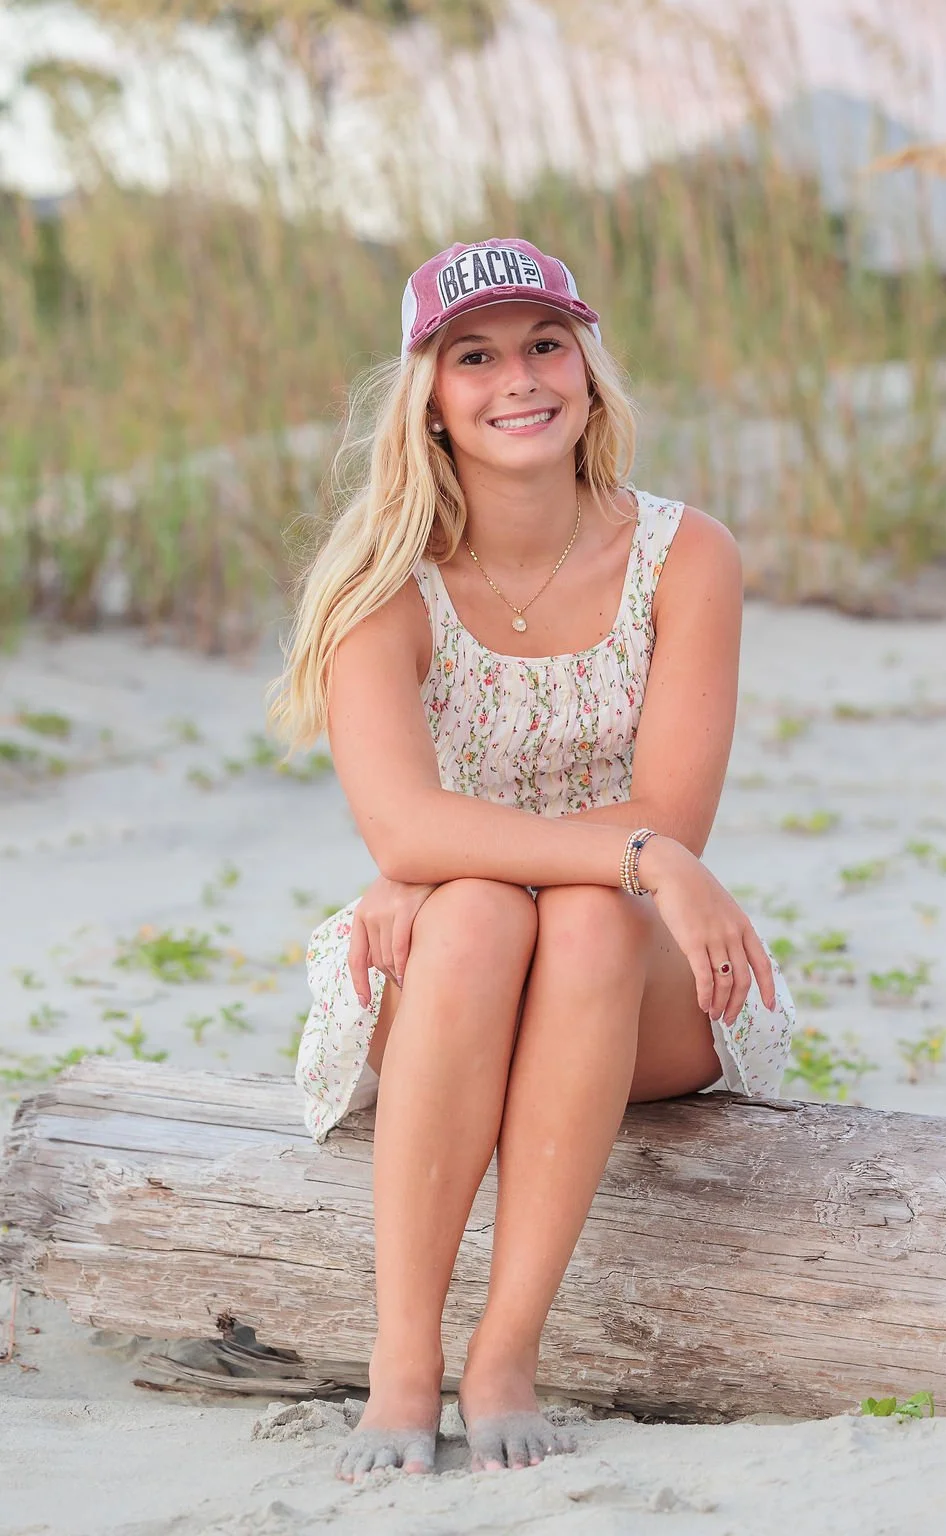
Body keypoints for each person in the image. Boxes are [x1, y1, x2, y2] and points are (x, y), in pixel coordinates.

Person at [268, 237, 796, 1483]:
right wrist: (615, 855)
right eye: (476, 355)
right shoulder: (380, 586)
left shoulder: (685, 555)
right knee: (471, 919)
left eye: (545, 344)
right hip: (449, 968)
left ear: (590, 371)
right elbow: (406, 829)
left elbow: (671, 814)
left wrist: (498, 856)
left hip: (636, 978)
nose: (519, 378)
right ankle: (403, 1362)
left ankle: (503, 1355)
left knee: (583, 918)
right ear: (432, 402)